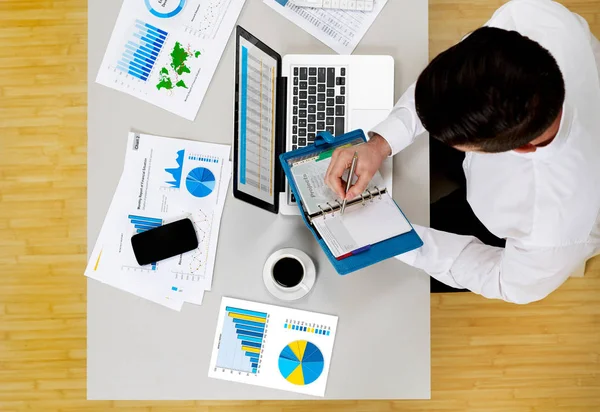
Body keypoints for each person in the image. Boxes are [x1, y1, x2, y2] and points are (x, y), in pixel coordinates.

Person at [324, 0, 600, 304]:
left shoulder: (551, 229)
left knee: (390, 275)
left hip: (522, 221)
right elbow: (456, 72)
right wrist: (379, 143)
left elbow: (504, 281)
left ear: (518, 148)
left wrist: (395, 239)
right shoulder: (534, 16)